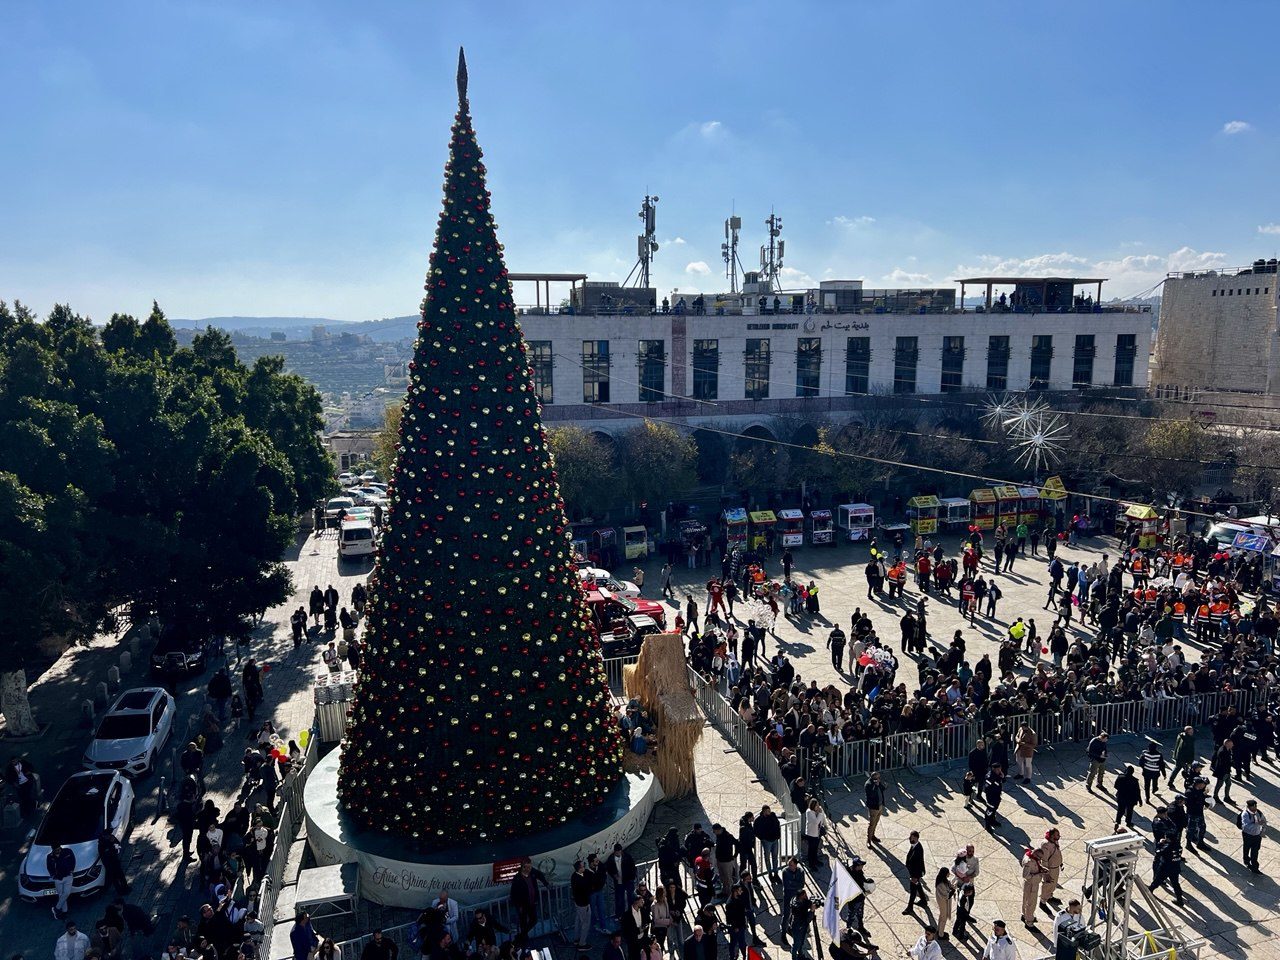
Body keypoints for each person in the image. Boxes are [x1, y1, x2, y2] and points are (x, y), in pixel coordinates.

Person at [46, 841, 76, 919]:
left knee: (66, 893)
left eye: (59, 849)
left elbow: (73, 860)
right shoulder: (50, 857)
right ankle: (64, 912)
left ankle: (56, 908)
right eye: (56, 849)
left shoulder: (67, 851)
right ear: (53, 849)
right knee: (61, 895)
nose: (58, 850)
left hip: (68, 876)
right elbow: (49, 867)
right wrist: (53, 875)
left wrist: (72, 869)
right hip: (58, 879)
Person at [1020, 849, 1046, 929]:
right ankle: (1029, 921)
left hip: (1033, 883)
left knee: (1026, 900)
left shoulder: (1033, 857)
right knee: (1031, 903)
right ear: (1035, 855)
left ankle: (1025, 915)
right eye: (1039, 858)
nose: (1040, 859)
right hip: (1031, 884)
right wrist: (1039, 874)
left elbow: (1036, 865)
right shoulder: (1029, 862)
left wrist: (1041, 868)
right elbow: (1025, 875)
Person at [903, 831, 928, 913]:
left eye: (912, 837)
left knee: (913, 891)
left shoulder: (918, 850)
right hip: (914, 872)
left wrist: (914, 877)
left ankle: (910, 908)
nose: (910, 838)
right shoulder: (915, 845)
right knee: (918, 885)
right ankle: (923, 900)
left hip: (915, 873)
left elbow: (917, 864)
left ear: (916, 838)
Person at [1240, 799, 1267, 873]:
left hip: (1257, 835)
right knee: (1247, 847)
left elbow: (1264, 821)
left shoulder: (1259, 813)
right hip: (1248, 835)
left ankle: (1255, 867)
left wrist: (1262, 831)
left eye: (1255, 806)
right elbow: (1246, 826)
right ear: (1249, 807)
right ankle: (1246, 859)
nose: (1255, 808)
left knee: (1255, 851)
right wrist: (1257, 823)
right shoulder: (1245, 814)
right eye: (1253, 807)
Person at [1138, 740, 1167, 804]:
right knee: (1155, 781)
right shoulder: (1159, 755)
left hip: (1147, 772)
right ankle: (1154, 789)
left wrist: (1144, 767)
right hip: (1155, 772)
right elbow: (1162, 765)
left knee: (1147, 786)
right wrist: (1164, 774)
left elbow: (1140, 763)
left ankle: (1147, 798)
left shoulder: (1145, 754)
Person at [789, 889, 814, 960]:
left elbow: (806, 903)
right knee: (796, 945)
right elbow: (807, 919)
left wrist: (810, 902)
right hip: (798, 926)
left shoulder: (795, 899)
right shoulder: (799, 907)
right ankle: (794, 958)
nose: (806, 896)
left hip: (798, 926)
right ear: (801, 896)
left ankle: (801, 955)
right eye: (805, 895)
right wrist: (812, 911)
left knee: (801, 942)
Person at [1114, 765, 1140, 831]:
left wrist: (1121, 790)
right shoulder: (1134, 780)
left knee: (1120, 810)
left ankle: (1117, 821)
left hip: (1121, 797)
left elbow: (1115, 786)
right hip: (1131, 799)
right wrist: (1139, 800)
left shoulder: (1120, 777)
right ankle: (1128, 823)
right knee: (1129, 811)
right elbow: (1137, 791)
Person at [933, 869, 955, 941]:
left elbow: (949, 885)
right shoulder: (941, 884)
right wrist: (953, 891)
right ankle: (941, 935)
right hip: (942, 901)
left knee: (941, 915)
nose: (949, 874)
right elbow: (946, 895)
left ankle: (939, 930)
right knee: (944, 917)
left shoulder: (944, 880)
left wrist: (952, 886)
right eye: (948, 873)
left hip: (943, 901)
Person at [865, 772, 886, 845]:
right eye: (877, 778)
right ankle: (869, 840)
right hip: (873, 807)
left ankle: (872, 835)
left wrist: (882, 784)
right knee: (872, 824)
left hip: (879, 806)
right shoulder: (868, 784)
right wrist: (876, 785)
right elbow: (871, 795)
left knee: (876, 823)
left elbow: (883, 789)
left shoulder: (877, 782)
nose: (879, 779)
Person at [804, 799, 825, 868]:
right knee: (811, 849)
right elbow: (816, 822)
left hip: (817, 833)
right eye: (816, 805)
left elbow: (821, 821)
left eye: (818, 805)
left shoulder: (817, 812)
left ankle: (815, 860)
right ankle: (811, 864)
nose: (818, 807)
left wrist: (820, 814)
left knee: (815, 849)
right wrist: (820, 814)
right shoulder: (809, 812)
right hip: (811, 834)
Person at [1212, 738, 1234, 805]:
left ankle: (1226, 797)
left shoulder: (1228, 749)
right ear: (1227, 744)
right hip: (1222, 772)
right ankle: (1215, 796)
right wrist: (1232, 762)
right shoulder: (1222, 752)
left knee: (1228, 783)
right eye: (1231, 744)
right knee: (1219, 784)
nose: (1233, 745)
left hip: (1226, 771)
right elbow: (1224, 763)